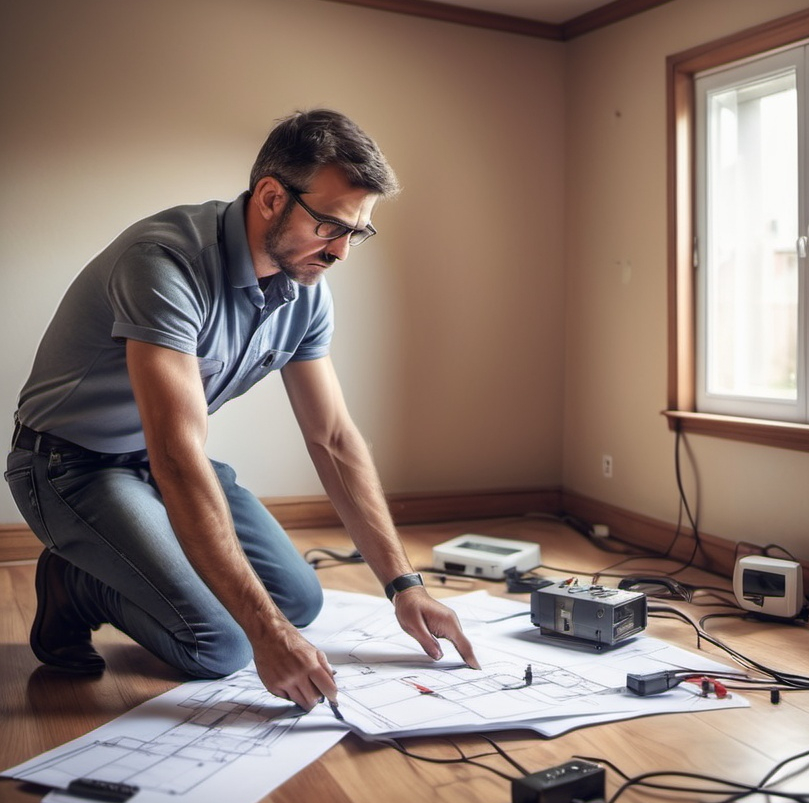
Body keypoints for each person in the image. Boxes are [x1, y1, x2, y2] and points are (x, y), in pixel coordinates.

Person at [5, 108, 478, 710]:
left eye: (357, 232)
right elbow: (177, 455)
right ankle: (76, 581)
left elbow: (332, 437)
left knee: (301, 602)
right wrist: (267, 634)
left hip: (154, 463)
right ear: (272, 197)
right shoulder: (163, 262)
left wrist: (403, 586)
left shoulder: (305, 289)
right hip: (70, 468)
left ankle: (137, 564)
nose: (341, 253)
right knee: (221, 645)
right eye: (331, 226)